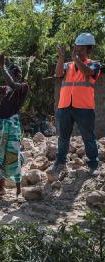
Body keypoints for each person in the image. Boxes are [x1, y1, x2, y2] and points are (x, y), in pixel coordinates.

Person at [51, 33, 101, 176]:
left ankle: (93, 164)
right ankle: (60, 162)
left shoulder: (94, 64)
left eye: (82, 49)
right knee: (63, 137)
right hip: (65, 106)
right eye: (77, 48)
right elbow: (58, 74)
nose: (78, 51)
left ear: (89, 50)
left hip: (84, 108)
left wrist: (76, 59)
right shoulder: (68, 65)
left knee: (89, 137)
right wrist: (61, 58)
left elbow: (88, 72)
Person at [0, 54, 29, 197]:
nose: (10, 77)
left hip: (12, 125)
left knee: (13, 155)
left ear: (18, 76)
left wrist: (3, 67)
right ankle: (2, 187)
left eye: (13, 74)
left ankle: (18, 188)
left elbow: (12, 84)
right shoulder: (6, 88)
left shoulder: (23, 87)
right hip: (2, 124)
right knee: (1, 154)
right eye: (9, 74)